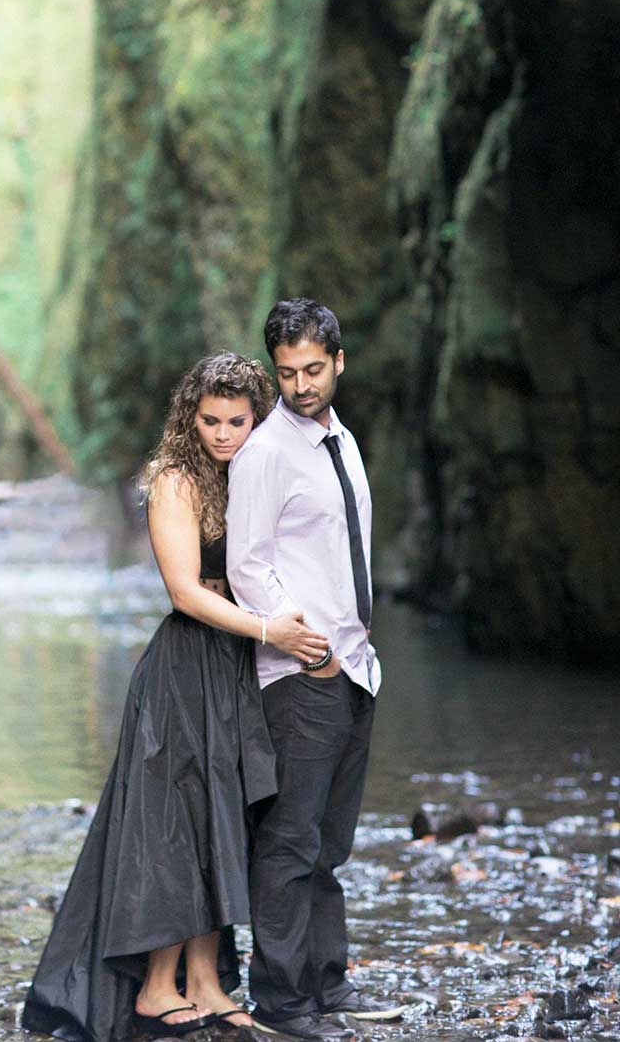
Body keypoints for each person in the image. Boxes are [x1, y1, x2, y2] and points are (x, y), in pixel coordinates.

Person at [21, 352, 309, 1042]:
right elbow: (184, 592)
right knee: (173, 822)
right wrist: (269, 626)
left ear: (257, 417)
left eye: (237, 421)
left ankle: (207, 983)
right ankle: (155, 987)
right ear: (191, 415)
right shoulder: (174, 480)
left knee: (224, 819)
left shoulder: (256, 476)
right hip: (186, 669)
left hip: (240, 668)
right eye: (209, 420)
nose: (222, 433)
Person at [226, 299, 404, 1040]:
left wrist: (353, 656)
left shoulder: (343, 441)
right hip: (303, 676)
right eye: (287, 373)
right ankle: (282, 999)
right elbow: (247, 565)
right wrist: (313, 649)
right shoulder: (267, 452)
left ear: (339, 361)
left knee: (330, 846)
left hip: (354, 669)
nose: (300, 386)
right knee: (291, 843)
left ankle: (327, 983)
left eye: (312, 370)